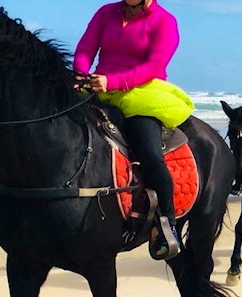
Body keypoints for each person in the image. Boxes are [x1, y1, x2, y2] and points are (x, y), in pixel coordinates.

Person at [73, 0, 195, 260]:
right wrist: (81, 75)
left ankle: (167, 223)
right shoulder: (106, 12)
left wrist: (112, 81)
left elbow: (154, 66)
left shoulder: (164, 21)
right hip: (99, 89)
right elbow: (85, 49)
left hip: (140, 92)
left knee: (149, 153)